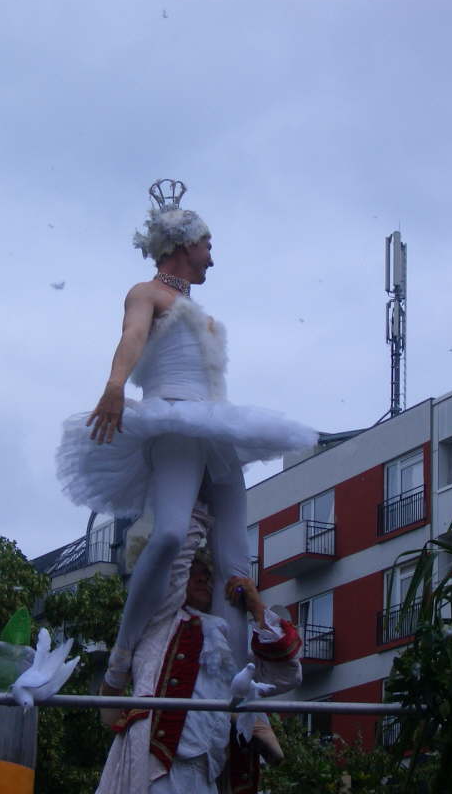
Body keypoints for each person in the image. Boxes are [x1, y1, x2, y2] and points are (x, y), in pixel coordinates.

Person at [57, 179, 317, 691]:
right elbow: (132, 336)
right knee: (172, 532)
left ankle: (234, 678)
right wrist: (114, 385)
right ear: (182, 245)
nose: (212, 258)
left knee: (235, 559)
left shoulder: (206, 316)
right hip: (173, 418)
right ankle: (123, 652)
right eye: (208, 245)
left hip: (213, 428)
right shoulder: (146, 293)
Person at [95, 510, 303, 794]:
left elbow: (286, 675)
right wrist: (198, 503)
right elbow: (173, 557)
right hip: (158, 767)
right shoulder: (159, 620)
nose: (202, 580)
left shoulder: (225, 637)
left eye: (208, 575)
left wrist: (256, 606)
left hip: (208, 774)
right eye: (195, 573)